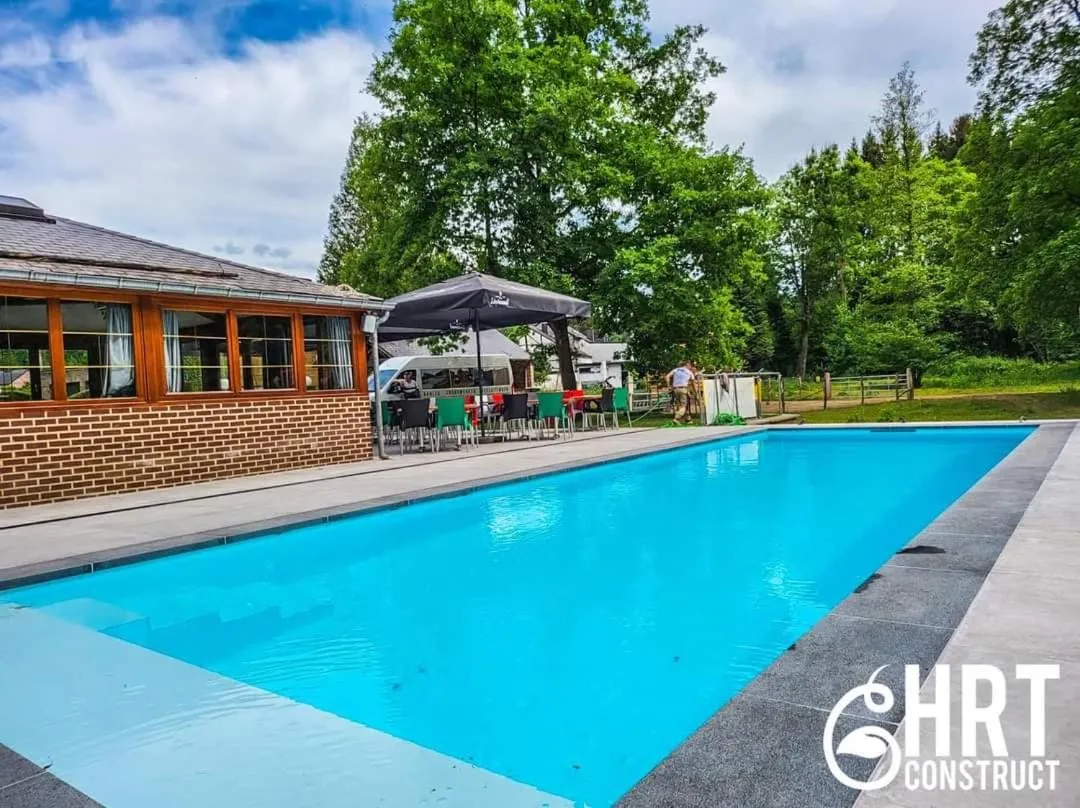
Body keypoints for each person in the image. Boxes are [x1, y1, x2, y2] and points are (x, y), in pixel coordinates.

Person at [666, 360, 695, 424]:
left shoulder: (675, 370)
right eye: (690, 365)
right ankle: (676, 418)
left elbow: (667, 376)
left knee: (681, 405)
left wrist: (669, 387)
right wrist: (695, 392)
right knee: (683, 406)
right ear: (687, 365)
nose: (690, 367)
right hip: (683, 389)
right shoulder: (689, 372)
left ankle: (688, 420)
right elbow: (693, 383)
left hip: (675, 390)